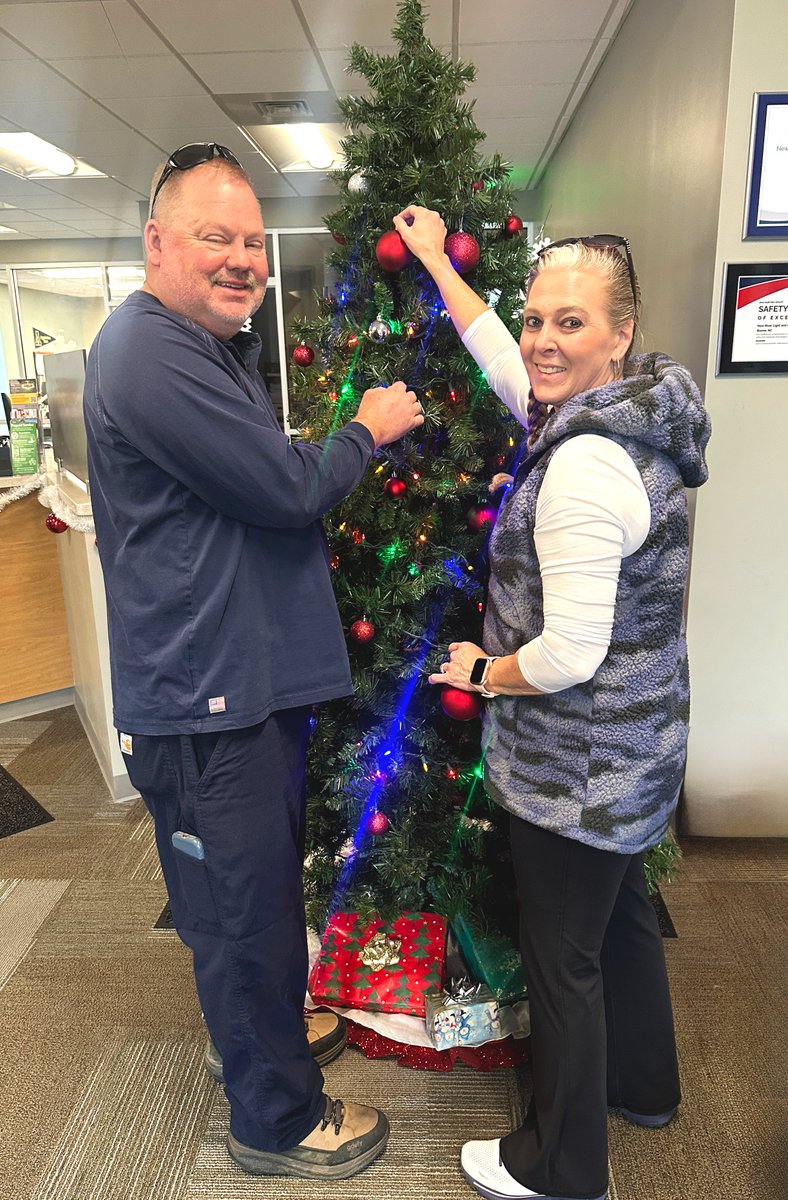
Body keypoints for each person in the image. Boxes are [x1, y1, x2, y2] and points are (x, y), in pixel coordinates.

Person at [83, 143, 424, 1181]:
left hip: (236, 688)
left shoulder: (191, 346)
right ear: (156, 240)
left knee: (258, 901)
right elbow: (284, 489)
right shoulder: (150, 353)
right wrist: (365, 432)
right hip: (206, 702)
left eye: (248, 243)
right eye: (212, 238)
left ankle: (269, 1035)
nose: (240, 261)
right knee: (240, 917)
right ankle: (274, 1119)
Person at [394, 207, 710, 1200]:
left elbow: (567, 656)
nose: (539, 339)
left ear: (619, 330)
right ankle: (644, 1088)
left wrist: (475, 673)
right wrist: (442, 265)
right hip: (639, 748)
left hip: (575, 767)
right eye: (535, 318)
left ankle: (560, 1167)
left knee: (559, 959)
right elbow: (501, 361)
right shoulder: (629, 411)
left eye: (567, 323)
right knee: (619, 917)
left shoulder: (578, 465)